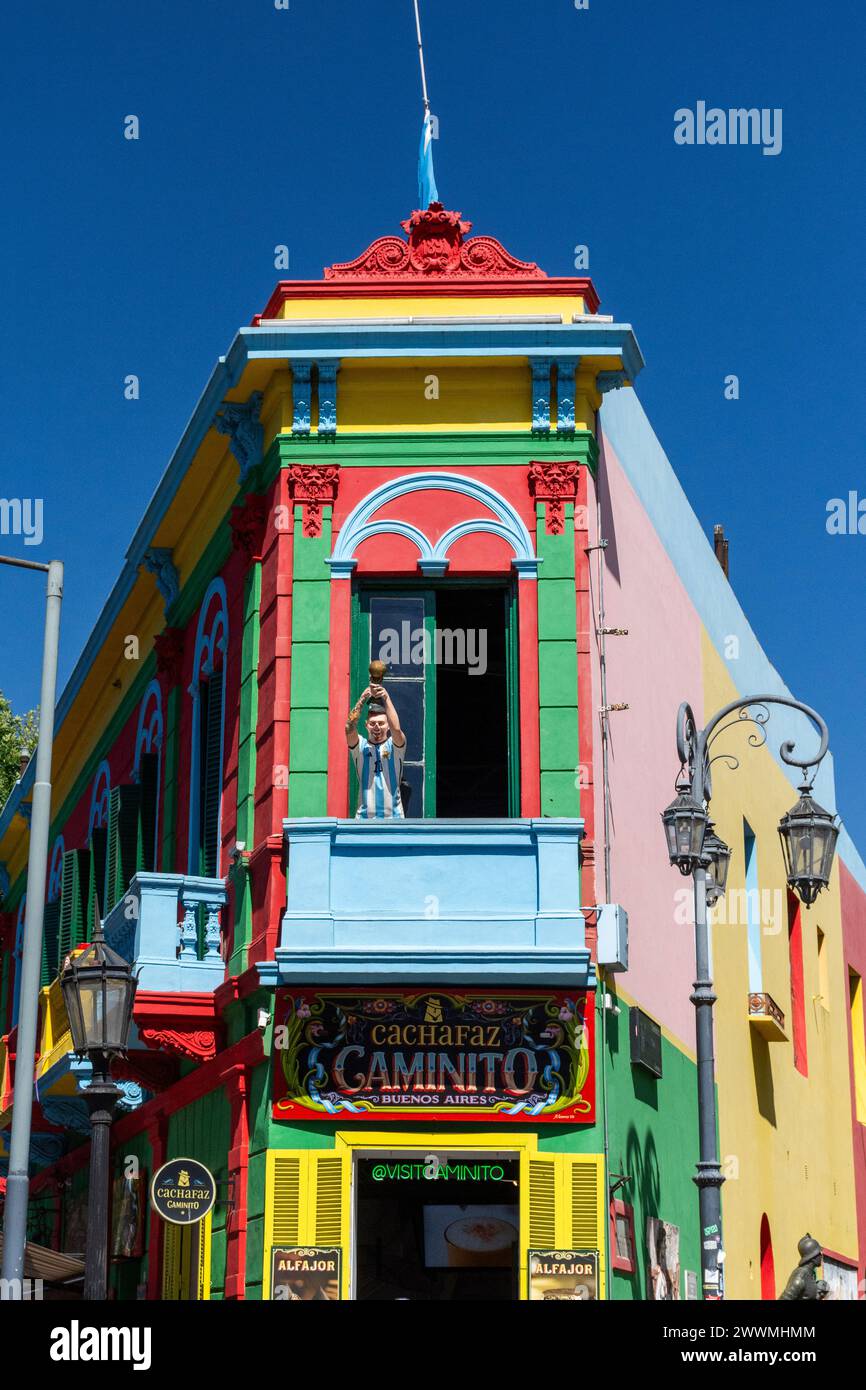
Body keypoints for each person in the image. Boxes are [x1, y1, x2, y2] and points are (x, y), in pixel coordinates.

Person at [345, 683, 406, 819]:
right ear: (366, 725)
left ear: (388, 725)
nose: (377, 727)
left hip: (394, 820)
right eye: (372, 723)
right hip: (364, 821)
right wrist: (361, 701)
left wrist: (386, 698)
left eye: (381, 723)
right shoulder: (361, 746)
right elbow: (349, 728)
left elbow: (396, 729)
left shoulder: (394, 746)